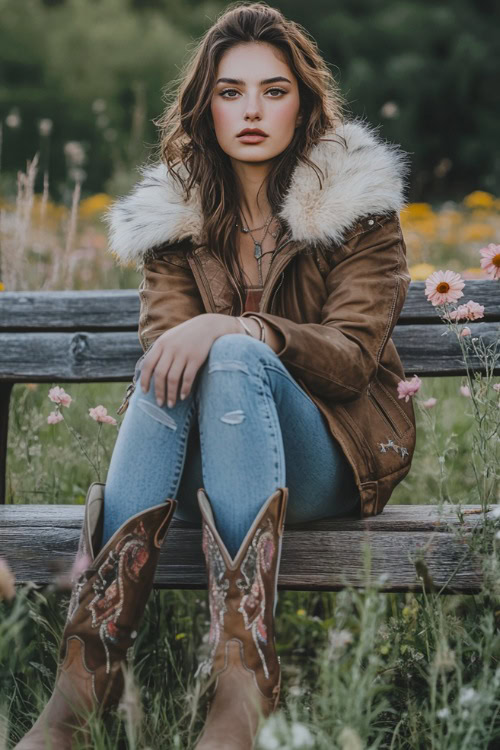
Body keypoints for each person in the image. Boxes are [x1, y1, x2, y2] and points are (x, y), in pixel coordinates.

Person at [15, 3, 416, 749]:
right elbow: (165, 361)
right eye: (231, 92)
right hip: (211, 458)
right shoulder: (177, 223)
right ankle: (82, 684)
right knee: (176, 371)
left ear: (304, 103)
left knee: (229, 353)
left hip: (332, 452)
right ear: (206, 106)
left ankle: (241, 683)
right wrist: (208, 334)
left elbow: (353, 357)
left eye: (274, 90)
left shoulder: (358, 211)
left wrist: (240, 327)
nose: (253, 110)